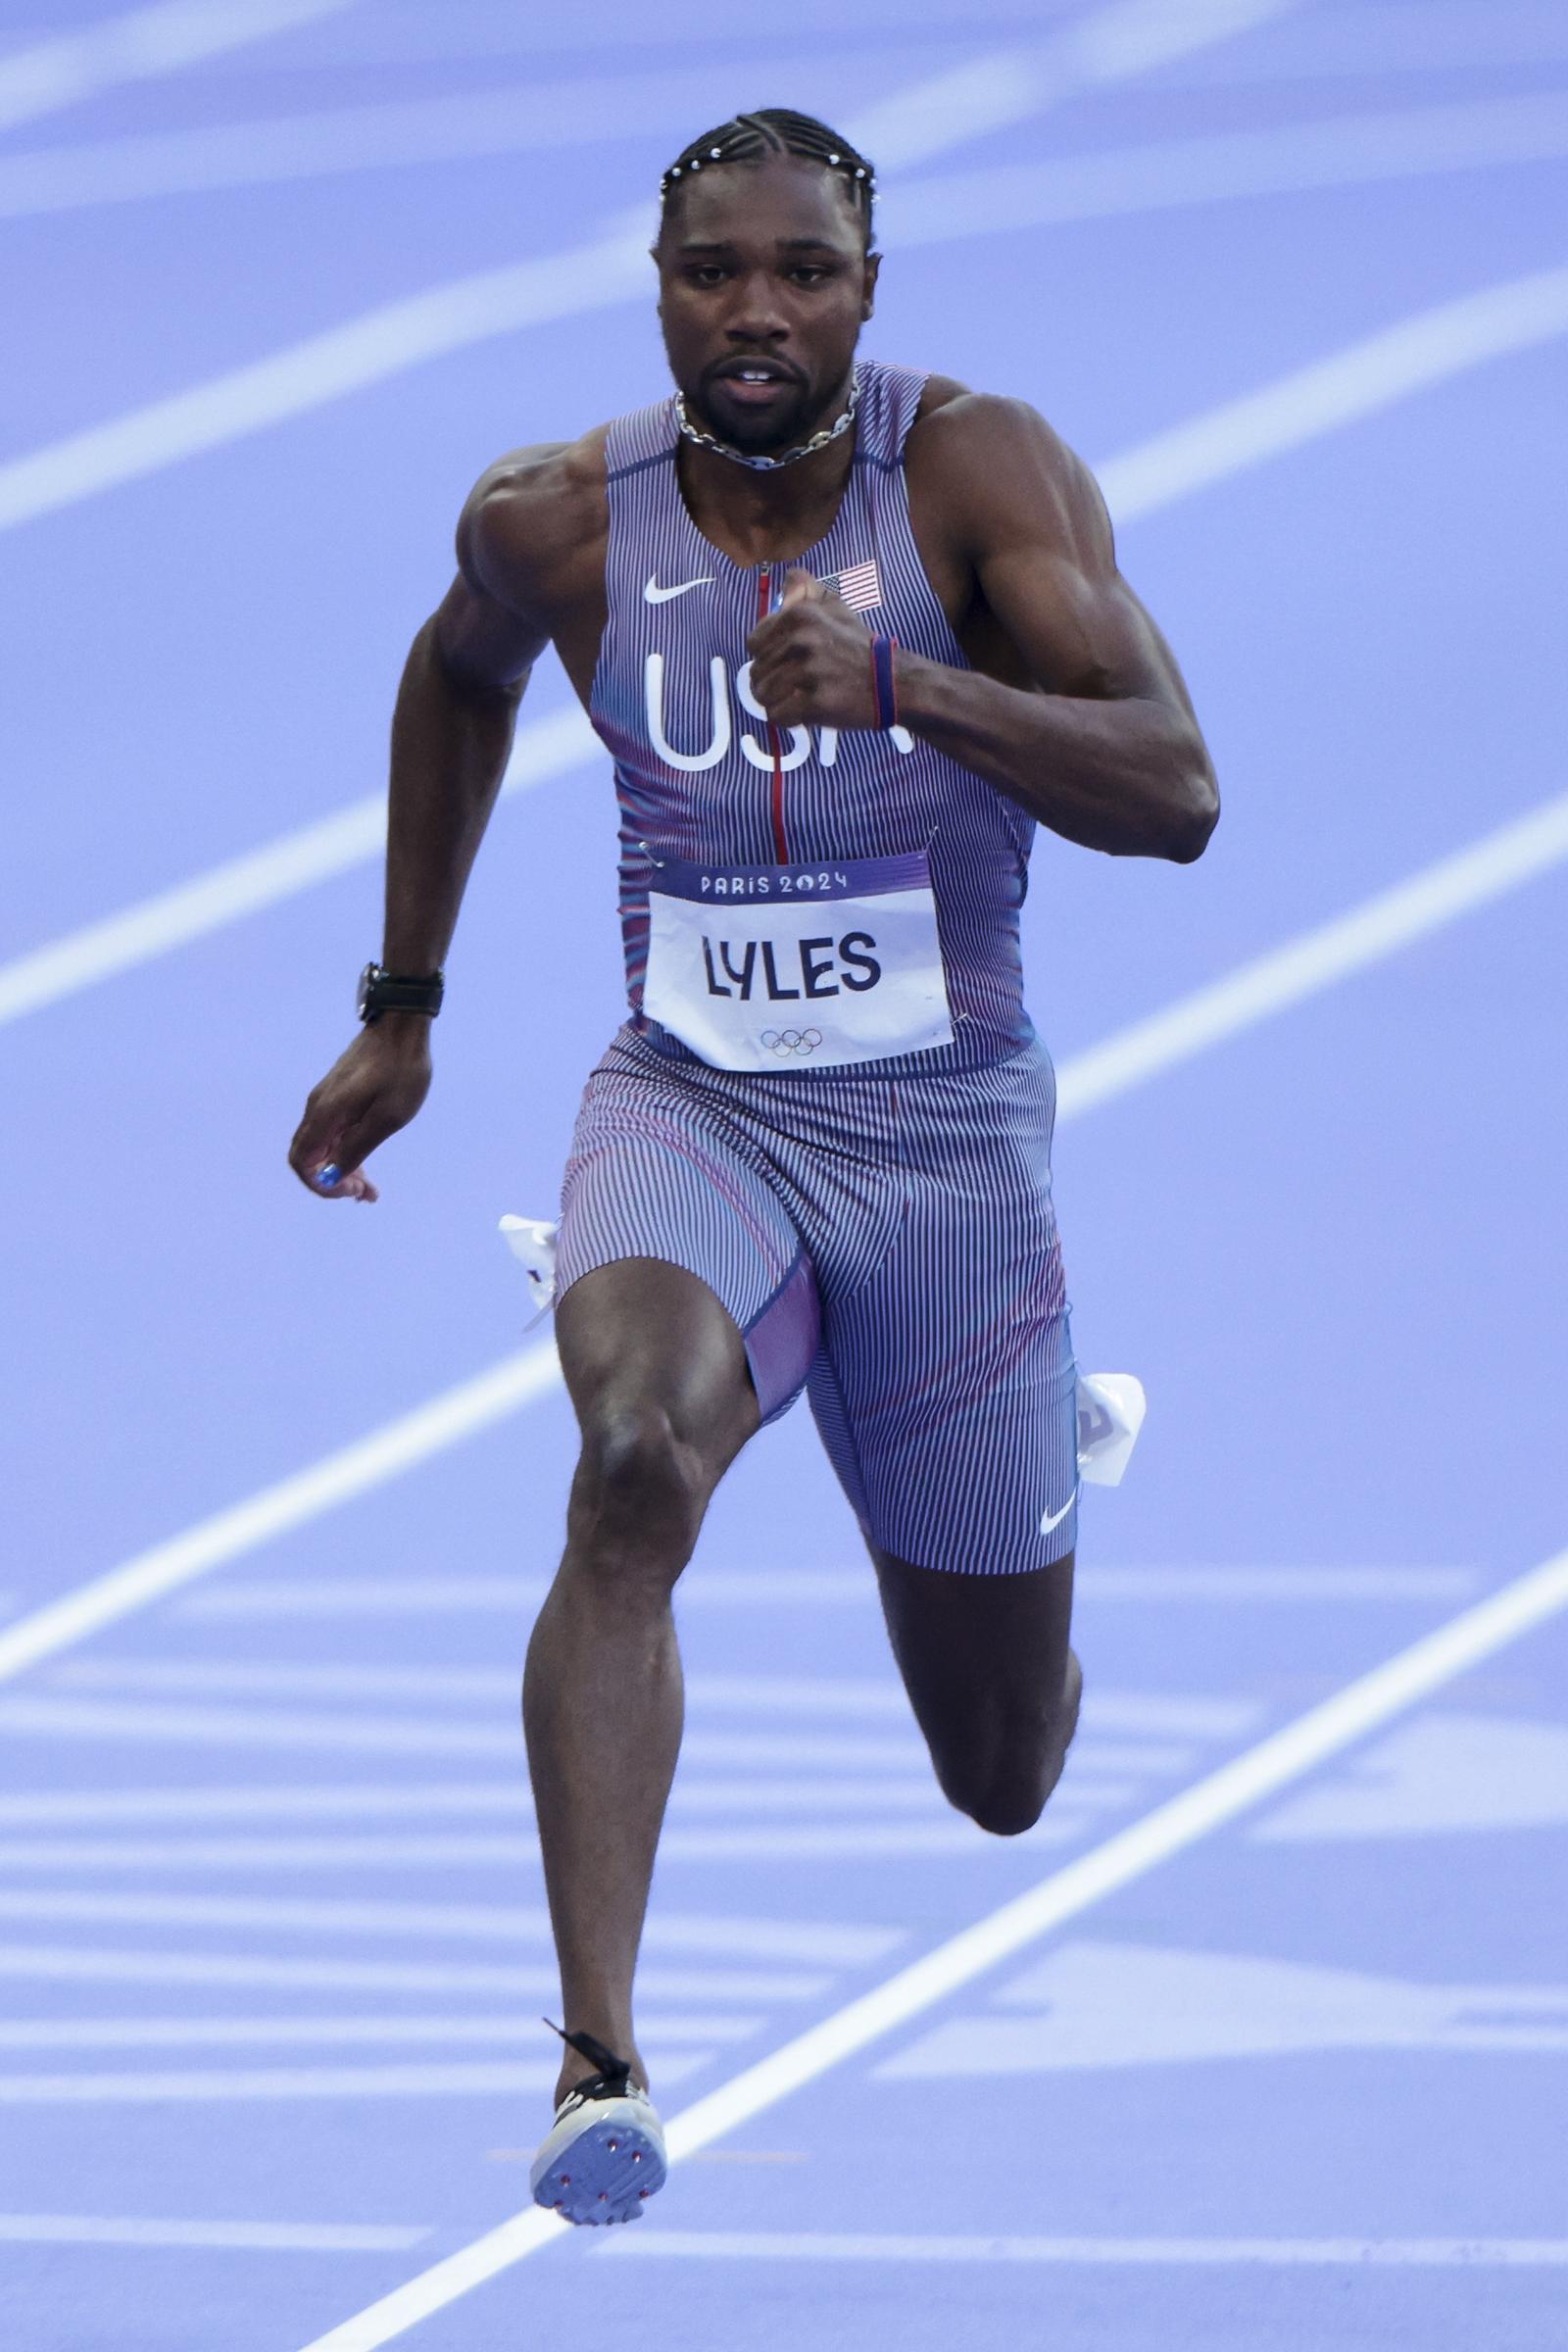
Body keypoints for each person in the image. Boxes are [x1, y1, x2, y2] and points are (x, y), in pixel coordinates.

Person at [288, 108, 1218, 2226]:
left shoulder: (974, 475)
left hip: (949, 1142)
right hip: (691, 1104)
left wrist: (912, 686)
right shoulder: (557, 522)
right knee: (627, 1460)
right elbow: (452, 683)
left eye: (801, 270)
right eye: (714, 271)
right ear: (661, 290)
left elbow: (1174, 790)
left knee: (1001, 1779)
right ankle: (594, 2062)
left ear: (865, 292)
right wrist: (401, 1002)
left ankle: (1032, 1434)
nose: (757, 312)